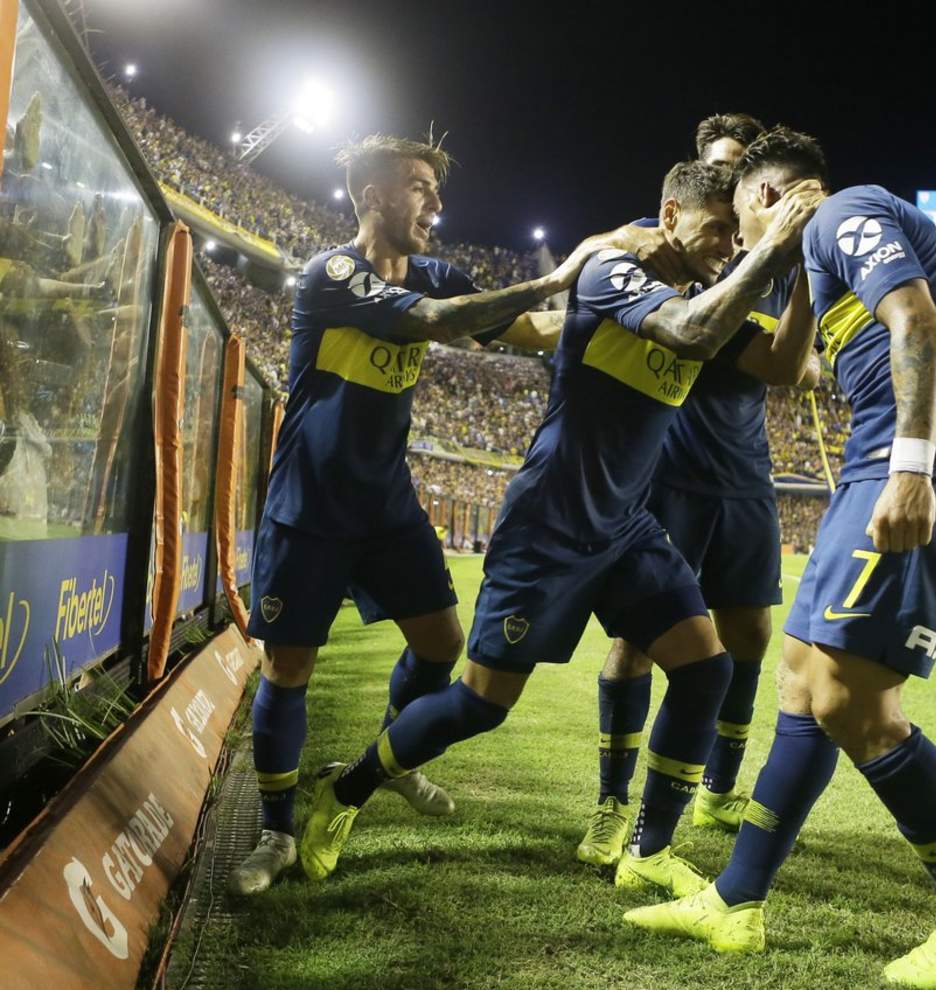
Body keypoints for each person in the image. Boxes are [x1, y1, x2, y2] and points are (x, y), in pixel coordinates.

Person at [297, 161, 823, 898]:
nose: (728, 248)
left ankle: (647, 847)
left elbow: (780, 361)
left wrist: (799, 270)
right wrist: (772, 247)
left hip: (626, 527)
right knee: (482, 705)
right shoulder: (613, 272)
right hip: (548, 523)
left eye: (737, 238)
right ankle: (345, 790)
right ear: (669, 213)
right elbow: (692, 333)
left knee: (706, 670)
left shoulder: (711, 288)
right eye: (715, 232)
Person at [625, 127, 936, 989]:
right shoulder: (819, 253)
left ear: (769, 195)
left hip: (906, 463)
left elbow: (923, 323)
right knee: (802, 676)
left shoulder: (845, 212)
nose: (738, 238)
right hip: (885, 462)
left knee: (853, 700)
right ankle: (737, 900)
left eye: (740, 216)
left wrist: (924, 473)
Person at [230, 133, 662, 895]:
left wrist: (619, 307)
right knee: (288, 666)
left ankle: (389, 757)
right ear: (373, 196)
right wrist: (563, 272)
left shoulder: (440, 271)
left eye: (434, 188)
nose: (435, 202)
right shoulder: (334, 273)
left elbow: (529, 332)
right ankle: (275, 832)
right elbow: (432, 319)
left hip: (388, 505)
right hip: (311, 504)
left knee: (442, 643)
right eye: (419, 186)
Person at [578, 114, 821, 868]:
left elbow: (796, 365)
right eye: (721, 168)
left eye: (745, 174)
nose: (736, 187)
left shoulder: (775, 259)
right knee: (639, 640)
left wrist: (799, 284)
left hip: (744, 471)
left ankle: (718, 786)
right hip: (668, 469)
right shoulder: (656, 244)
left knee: (748, 636)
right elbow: (600, 267)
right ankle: (612, 803)